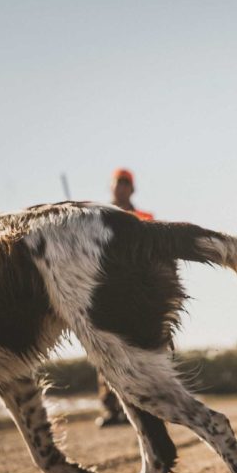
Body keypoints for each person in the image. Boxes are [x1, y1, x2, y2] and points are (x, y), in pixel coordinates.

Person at [96, 168, 154, 427]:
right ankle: (111, 409)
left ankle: (146, 404)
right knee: (105, 351)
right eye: (117, 184)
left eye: (125, 184)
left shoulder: (144, 218)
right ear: (111, 188)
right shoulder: (96, 217)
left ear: (132, 189)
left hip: (137, 293)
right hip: (108, 293)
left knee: (141, 350)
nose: (120, 188)